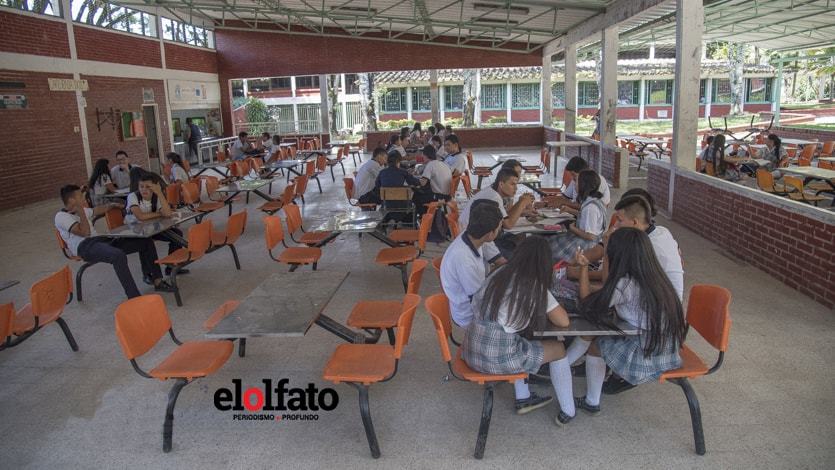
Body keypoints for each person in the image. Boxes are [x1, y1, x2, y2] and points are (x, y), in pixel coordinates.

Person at [554, 228, 686, 424]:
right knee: (594, 334)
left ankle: (589, 397)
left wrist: (584, 268)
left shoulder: (625, 284)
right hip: (668, 349)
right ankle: (564, 365)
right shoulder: (657, 277)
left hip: (646, 354)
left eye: (608, 254)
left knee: (596, 344)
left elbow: (587, 302)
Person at [441, 201, 549, 413]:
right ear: (491, 232)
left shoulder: (477, 239)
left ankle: (523, 376)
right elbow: (484, 300)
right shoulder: (463, 258)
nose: (501, 230)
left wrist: (522, 266)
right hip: (470, 314)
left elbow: (501, 262)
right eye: (500, 227)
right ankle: (522, 390)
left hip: (477, 304)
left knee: (516, 313)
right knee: (517, 320)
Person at [463, 236, 573, 418]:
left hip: (472, 348)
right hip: (495, 358)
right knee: (558, 348)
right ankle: (569, 410)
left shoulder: (499, 273)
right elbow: (564, 321)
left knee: (522, 338)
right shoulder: (533, 284)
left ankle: (524, 397)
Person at [55, 185, 174, 299]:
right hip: (85, 247)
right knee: (117, 256)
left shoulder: (83, 210)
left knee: (145, 241)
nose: (84, 199)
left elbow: (95, 210)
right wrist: (81, 211)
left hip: (101, 240)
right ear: (72, 200)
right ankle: (134, 296)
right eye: (80, 197)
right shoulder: (61, 217)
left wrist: (112, 205)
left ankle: (157, 281)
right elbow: (85, 233)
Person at [459, 169, 535, 259]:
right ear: (501, 184)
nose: (516, 188)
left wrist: (522, 211)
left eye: (516, 185)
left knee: (519, 238)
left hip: (474, 236)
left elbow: (505, 217)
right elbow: (508, 224)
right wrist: (522, 203)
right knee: (521, 254)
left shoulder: (492, 191)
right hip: (476, 240)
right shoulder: (494, 197)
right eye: (512, 184)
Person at [125, 173, 188, 275]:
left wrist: (159, 193)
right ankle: (150, 275)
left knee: (177, 234)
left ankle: (171, 267)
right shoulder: (133, 196)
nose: (144, 189)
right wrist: (159, 214)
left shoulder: (156, 196)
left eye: (148, 187)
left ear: (155, 187)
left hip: (152, 228)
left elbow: (167, 213)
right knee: (147, 243)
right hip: (136, 231)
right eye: (141, 186)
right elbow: (140, 216)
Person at [549, 170, 607, 263]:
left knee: (552, 249)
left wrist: (573, 228)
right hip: (583, 240)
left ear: (583, 185)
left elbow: (591, 236)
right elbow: (585, 217)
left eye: (576, 181)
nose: (574, 184)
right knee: (552, 241)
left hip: (586, 245)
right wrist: (569, 210)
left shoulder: (591, 207)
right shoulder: (595, 200)